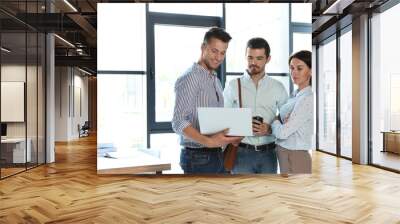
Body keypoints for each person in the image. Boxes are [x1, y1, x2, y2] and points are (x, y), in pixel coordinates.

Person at [172, 27, 242, 174]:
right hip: (198, 157)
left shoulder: (215, 79)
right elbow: (178, 122)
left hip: (215, 155)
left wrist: (230, 136)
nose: (218, 57)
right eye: (214, 51)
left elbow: (213, 122)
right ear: (203, 47)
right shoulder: (191, 77)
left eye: (223, 53)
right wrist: (209, 142)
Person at [223, 37, 288, 174]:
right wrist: (242, 125)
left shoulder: (278, 87)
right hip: (241, 153)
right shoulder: (233, 85)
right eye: (250, 58)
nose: (253, 62)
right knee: (241, 194)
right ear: (245, 57)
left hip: (269, 154)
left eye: (259, 58)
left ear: (268, 59)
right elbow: (222, 118)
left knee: (267, 194)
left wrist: (270, 129)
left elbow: (286, 119)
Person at [271, 50, 313, 174]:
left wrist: (275, 121)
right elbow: (283, 122)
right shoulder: (295, 95)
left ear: (310, 71)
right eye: (291, 68)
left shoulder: (307, 98)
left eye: (299, 68)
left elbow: (283, 133)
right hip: (286, 154)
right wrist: (281, 121)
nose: (294, 72)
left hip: (296, 156)